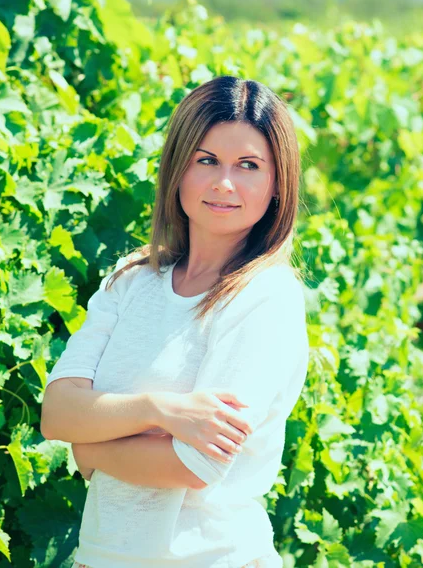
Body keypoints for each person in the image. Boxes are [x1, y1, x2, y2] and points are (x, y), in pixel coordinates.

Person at [40, 75, 310, 568]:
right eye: (206, 160)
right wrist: (158, 410)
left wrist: (92, 446)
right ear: (178, 168)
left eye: (248, 166)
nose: (223, 182)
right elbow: (57, 414)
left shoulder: (265, 297)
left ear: (276, 186)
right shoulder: (132, 280)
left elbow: (196, 463)